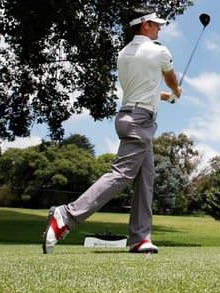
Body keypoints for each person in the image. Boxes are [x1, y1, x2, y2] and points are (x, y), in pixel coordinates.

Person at [42, 7, 181, 254]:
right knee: (123, 174)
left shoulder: (124, 53)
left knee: (145, 178)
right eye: (156, 24)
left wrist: (166, 98)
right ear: (145, 24)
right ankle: (67, 215)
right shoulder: (159, 51)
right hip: (141, 120)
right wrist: (176, 92)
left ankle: (140, 237)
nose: (160, 28)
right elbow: (171, 79)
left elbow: (144, 88)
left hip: (130, 115)